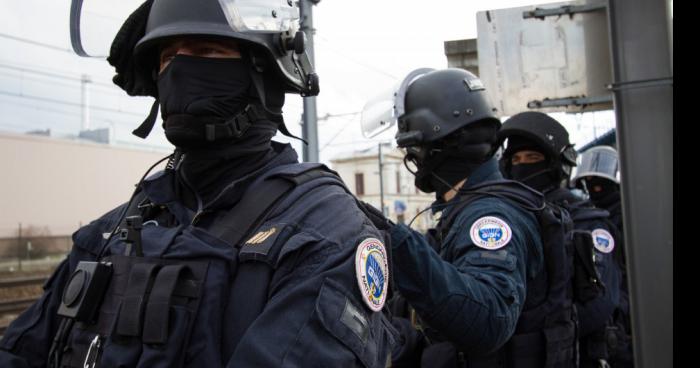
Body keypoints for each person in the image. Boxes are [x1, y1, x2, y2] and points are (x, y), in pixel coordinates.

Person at [0, 0, 396, 367]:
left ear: (264, 73)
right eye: (168, 57)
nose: (180, 71)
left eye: (207, 52)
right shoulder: (109, 231)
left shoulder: (324, 231)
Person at [387, 68, 576, 367]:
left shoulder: (489, 216)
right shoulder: (468, 209)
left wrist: (395, 242)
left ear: (439, 146)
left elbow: (487, 320)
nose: (413, 158)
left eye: (415, 147)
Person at [498, 112, 624, 368]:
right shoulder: (503, 220)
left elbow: (600, 304)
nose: (522, 165)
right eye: (516, 159)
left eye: (532, 158)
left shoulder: (588, 223)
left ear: (556, 164)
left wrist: (535, 333)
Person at [574, 146, 634, 367]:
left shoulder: (629, 212)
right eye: (588, 181)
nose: (594, 187)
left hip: (626, 302)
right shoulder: (588, 215)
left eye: (599, 181)